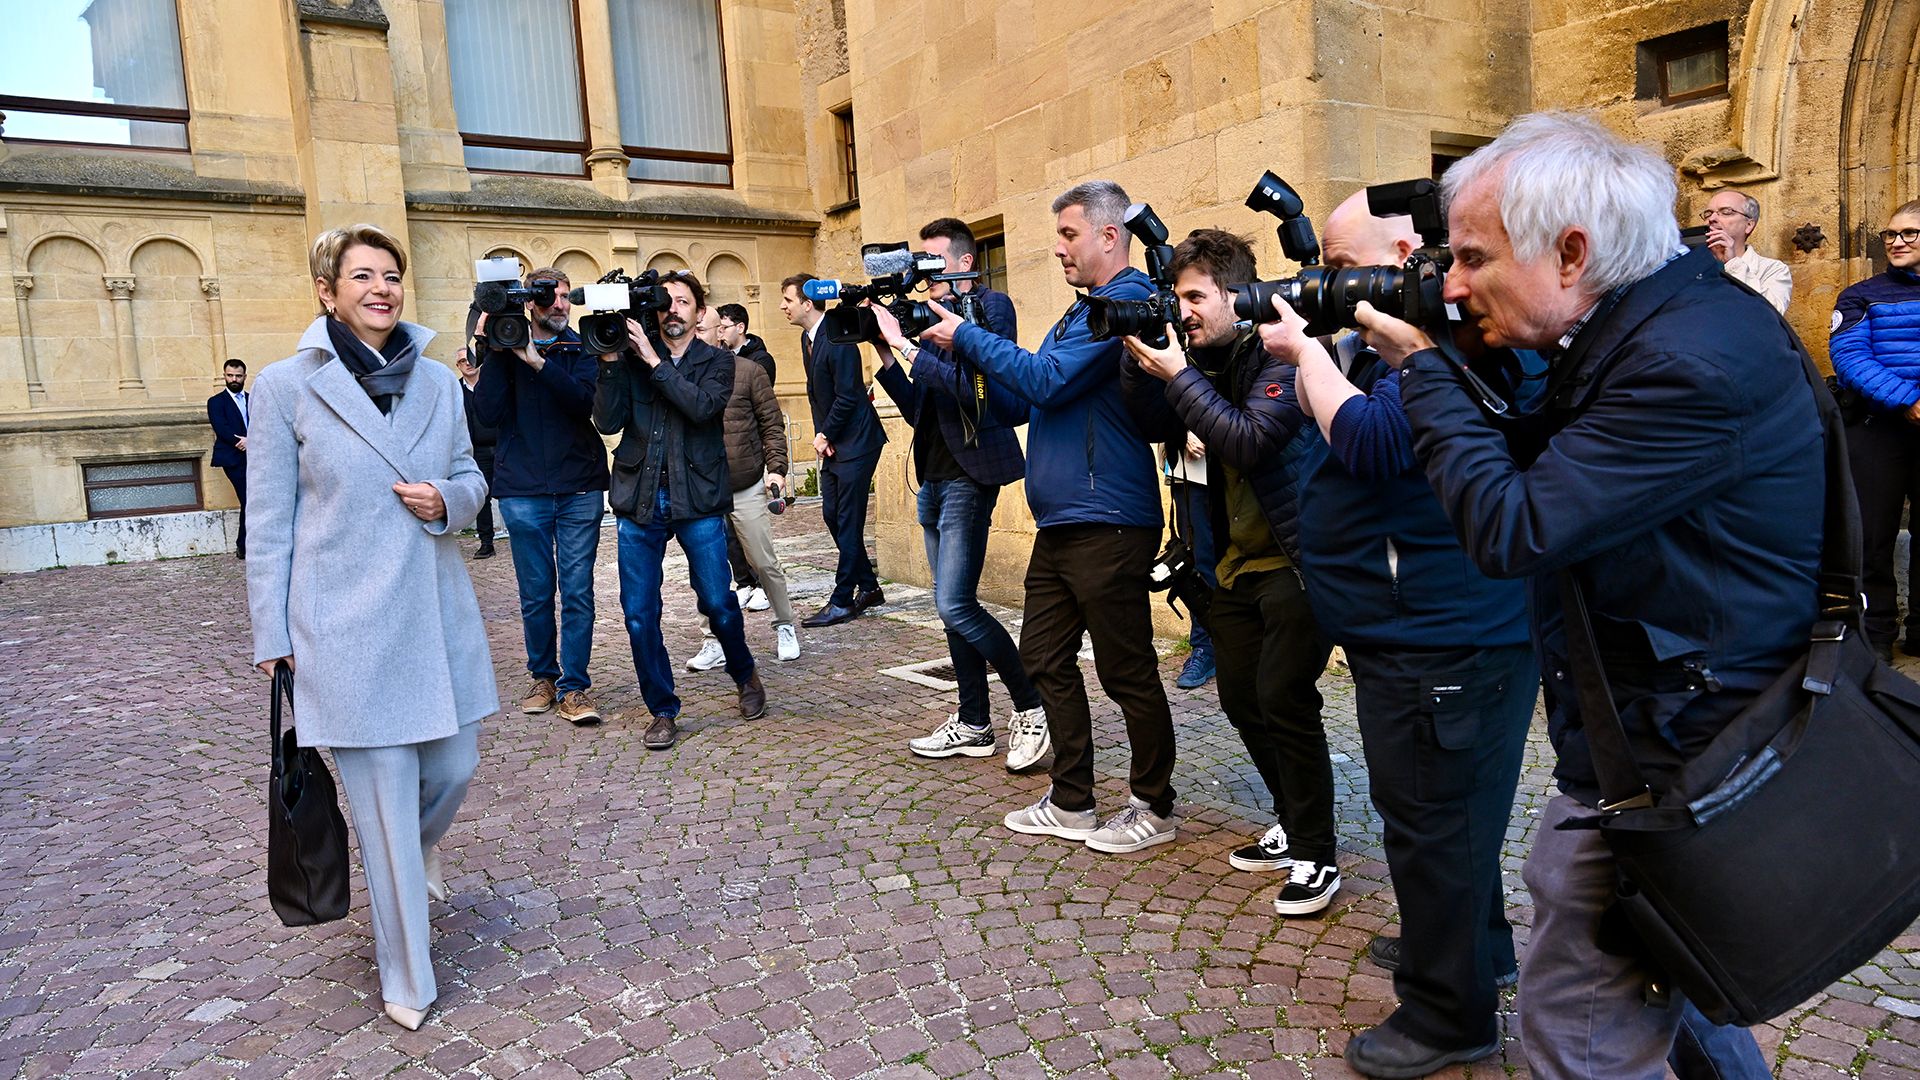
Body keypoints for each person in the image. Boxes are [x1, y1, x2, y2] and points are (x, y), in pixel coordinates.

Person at [1362, 111, 1818, 1080]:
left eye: (1473, 258)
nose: (1448, 283)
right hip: (1668, 734)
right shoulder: (1655, 319)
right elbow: (1554, 454)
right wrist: (1474, 361)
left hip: (1688, 753)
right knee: (1671, 970)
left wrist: (1426, 374)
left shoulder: (1686, 359)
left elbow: (1516, 527)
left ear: (1571, 252)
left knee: (1575, 1028)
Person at [1255, 196, 1534, 1075]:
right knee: (1456, 814)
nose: (1335, 283)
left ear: (1408, 254)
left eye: (1343, 264)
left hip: (1441, 634)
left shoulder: (1450, 344)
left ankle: (1449, 1016)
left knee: (1432, 820)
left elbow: (1375, 444)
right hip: (1433, 628)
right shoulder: (1425, 338)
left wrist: (1305, 352)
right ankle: (1471, 953)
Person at [248, 223, 495, 1032]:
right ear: (329, 291)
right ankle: (407, 977)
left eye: (391, 274)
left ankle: (404, 860)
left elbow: (470, 477)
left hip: (433, 611)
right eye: (362, 275)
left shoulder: (437, 383)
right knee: (384, 813)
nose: (382, 287)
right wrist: (271, 632)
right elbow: (272, 519)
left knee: (454, 767)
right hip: (343, 625)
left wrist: (449, 502)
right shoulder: (286, 387)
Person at [914, 180, 1179, 854]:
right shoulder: (1078, 312)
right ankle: (1072, 801)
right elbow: (1020, 403)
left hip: (1109, 515)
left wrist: (967, 335)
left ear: (1109, 235)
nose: (1057, 248)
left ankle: (1154, 806)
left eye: (1068, 234)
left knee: (1125, 670)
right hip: (1064, 519)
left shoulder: (1123, 304)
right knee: (1045, 657)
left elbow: (1047, 380)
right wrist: (943, 353)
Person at [1119, 229, 1338, 909]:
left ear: (1237, 297)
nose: (1184, 309)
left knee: (1283, 696)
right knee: (1242, 698)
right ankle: (1290, 819)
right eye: (1177, 296)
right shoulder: (1200, 359)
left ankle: (1317, 852)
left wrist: (1178, 373)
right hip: (1233, 564)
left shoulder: (1279, 351)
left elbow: (1248, 439)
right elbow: (1146, 417)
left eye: (1195, 297)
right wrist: (1145, 352)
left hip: (1299, 560)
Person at [866, 216, 1048, 769]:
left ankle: (1031, 707)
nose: (924, 275)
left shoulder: (991, 309)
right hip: (934, 473)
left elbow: (979, 390)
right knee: (952, 611)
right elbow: (921, 405)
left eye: (933, 261)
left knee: (955, 602)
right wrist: (884, 350)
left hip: (971, 475)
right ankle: (973, 722)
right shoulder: (921, 318)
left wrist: (909, 346)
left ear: (965, 262)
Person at [595, 270, 767, 750]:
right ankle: (662, 709)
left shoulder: (718, 362)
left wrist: (652, 360)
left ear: (699, 312)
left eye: (684, 302)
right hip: (640, 498)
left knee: (717, 601)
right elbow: (607, 420)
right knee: (638, 613)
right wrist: (611, 359)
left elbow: (701, 408)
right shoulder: (628, 361)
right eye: (666, 302)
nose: (674, 309)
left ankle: (744, 672)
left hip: (698, 497)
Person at [472, 267, 608, 727]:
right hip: (523, 488)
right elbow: (487, 414)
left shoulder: (582, 345)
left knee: (577, 591)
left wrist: (537, 362)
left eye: (567, 297)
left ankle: (575, 686)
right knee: (534, 593)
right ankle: (543, 677)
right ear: (530, 302)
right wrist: (492, 349)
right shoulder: (504, 348)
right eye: (550, 297)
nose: (561, 305)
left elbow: (583, 403)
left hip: (580, 486)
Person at [684, 305, 803, 669]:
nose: (694, 335)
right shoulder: (679, 376)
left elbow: (771, 424)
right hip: (700, 488)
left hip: (745, 482)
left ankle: (785, 626)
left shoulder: (749, 371)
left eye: (701, 329)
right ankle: (713, 639)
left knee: (764, 562)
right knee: (706, 569)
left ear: (720, 331)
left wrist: (777, 470)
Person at [1830, 199, 1920, 660]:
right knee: (1871, 537)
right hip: (1877, 428)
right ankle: (1875, 636)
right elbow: (1849, 358)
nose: (1896, 241)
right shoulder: (1861, 295)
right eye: (1890, 234)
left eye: (1908, 233)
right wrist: (1907, 400)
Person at [785, 273, 887, 627]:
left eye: (788, 300)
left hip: (858, 442)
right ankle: (870, 587)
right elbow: (818, 395)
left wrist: (826, 433)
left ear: (807, 303)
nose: (783, 306)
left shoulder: (840, 338)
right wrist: (822, 435)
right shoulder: (806, 338)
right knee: (831, 514)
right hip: (834, 443)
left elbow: (848, 395)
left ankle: (842, 599)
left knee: (848, 522)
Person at [1165, 433, 1217, 689]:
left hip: (1245, 456)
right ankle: (1205, 646)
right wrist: (1178, 432)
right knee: (1198, 561)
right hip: (1192, 465)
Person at [1701, 189, 1792, 314]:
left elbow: (1771, 314)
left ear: (1749, 225)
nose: (1712, 218)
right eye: (1708, 213)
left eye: (1726, 212)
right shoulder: (1695, 264)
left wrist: (1733, 264)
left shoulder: (1772, 269)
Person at [455, 347, 499, 559]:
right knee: (482, 498)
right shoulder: (454, 391)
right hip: (477, 450)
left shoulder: (493, 384)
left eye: (471, 358)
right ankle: (486, 542)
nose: (468, 363)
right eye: (463, 361)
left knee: (516, 493)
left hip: (503, 447)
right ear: (458, 366)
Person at [207, 359, 250, 559]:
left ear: (244, 377)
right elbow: (221, 428)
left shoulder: (253, 398)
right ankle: (243, 545)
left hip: (256, 456)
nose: (234, 379)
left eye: (238, 376)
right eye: (230, 375)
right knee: (248, 499)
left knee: (253, 501)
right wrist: (239, 442)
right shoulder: (216, 402)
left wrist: (252, 440)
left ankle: (247, 544)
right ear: (224, 376)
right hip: (232, 458)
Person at [715, 302, 777, 384]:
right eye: (717, 328)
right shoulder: (718, 355)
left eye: (724, 328)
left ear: (740, 328)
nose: (719, 333)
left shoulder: (761, 359)